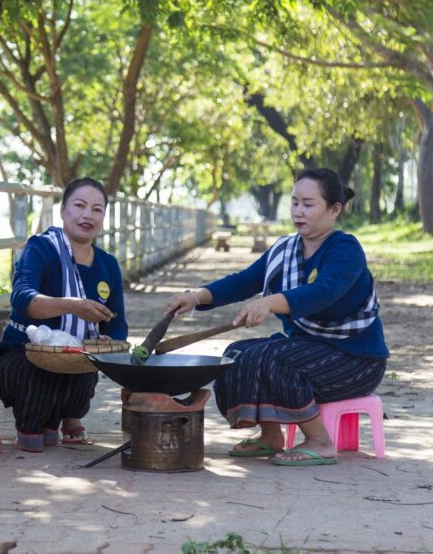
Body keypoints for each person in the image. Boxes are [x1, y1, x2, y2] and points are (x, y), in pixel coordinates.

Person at [165, 168, 388, 466]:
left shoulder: (345, 250)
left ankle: (321, 442)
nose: (299, 211)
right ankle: (270, 436)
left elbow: (323, 292)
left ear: (334, 209)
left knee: (272, 357)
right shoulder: (284, 249)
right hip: (307, 353)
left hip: (355, 361)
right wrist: (194, 297)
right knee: (237, 353)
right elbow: (243, 282)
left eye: (308, 204)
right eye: (294, 202)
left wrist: (270, 303)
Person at [0, 178, 128, 452]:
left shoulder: (108, 265)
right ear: (63, 210)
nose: (87, 215)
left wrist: (108, 341)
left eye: (97, 209)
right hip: (26, 354)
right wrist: (72, 305)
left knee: (82, 364)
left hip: (76, 359)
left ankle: (69, 415)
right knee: (36, 383)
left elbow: (118, 326)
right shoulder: (41, 248)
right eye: (79, 205)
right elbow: (22, 299)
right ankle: (36, 424)